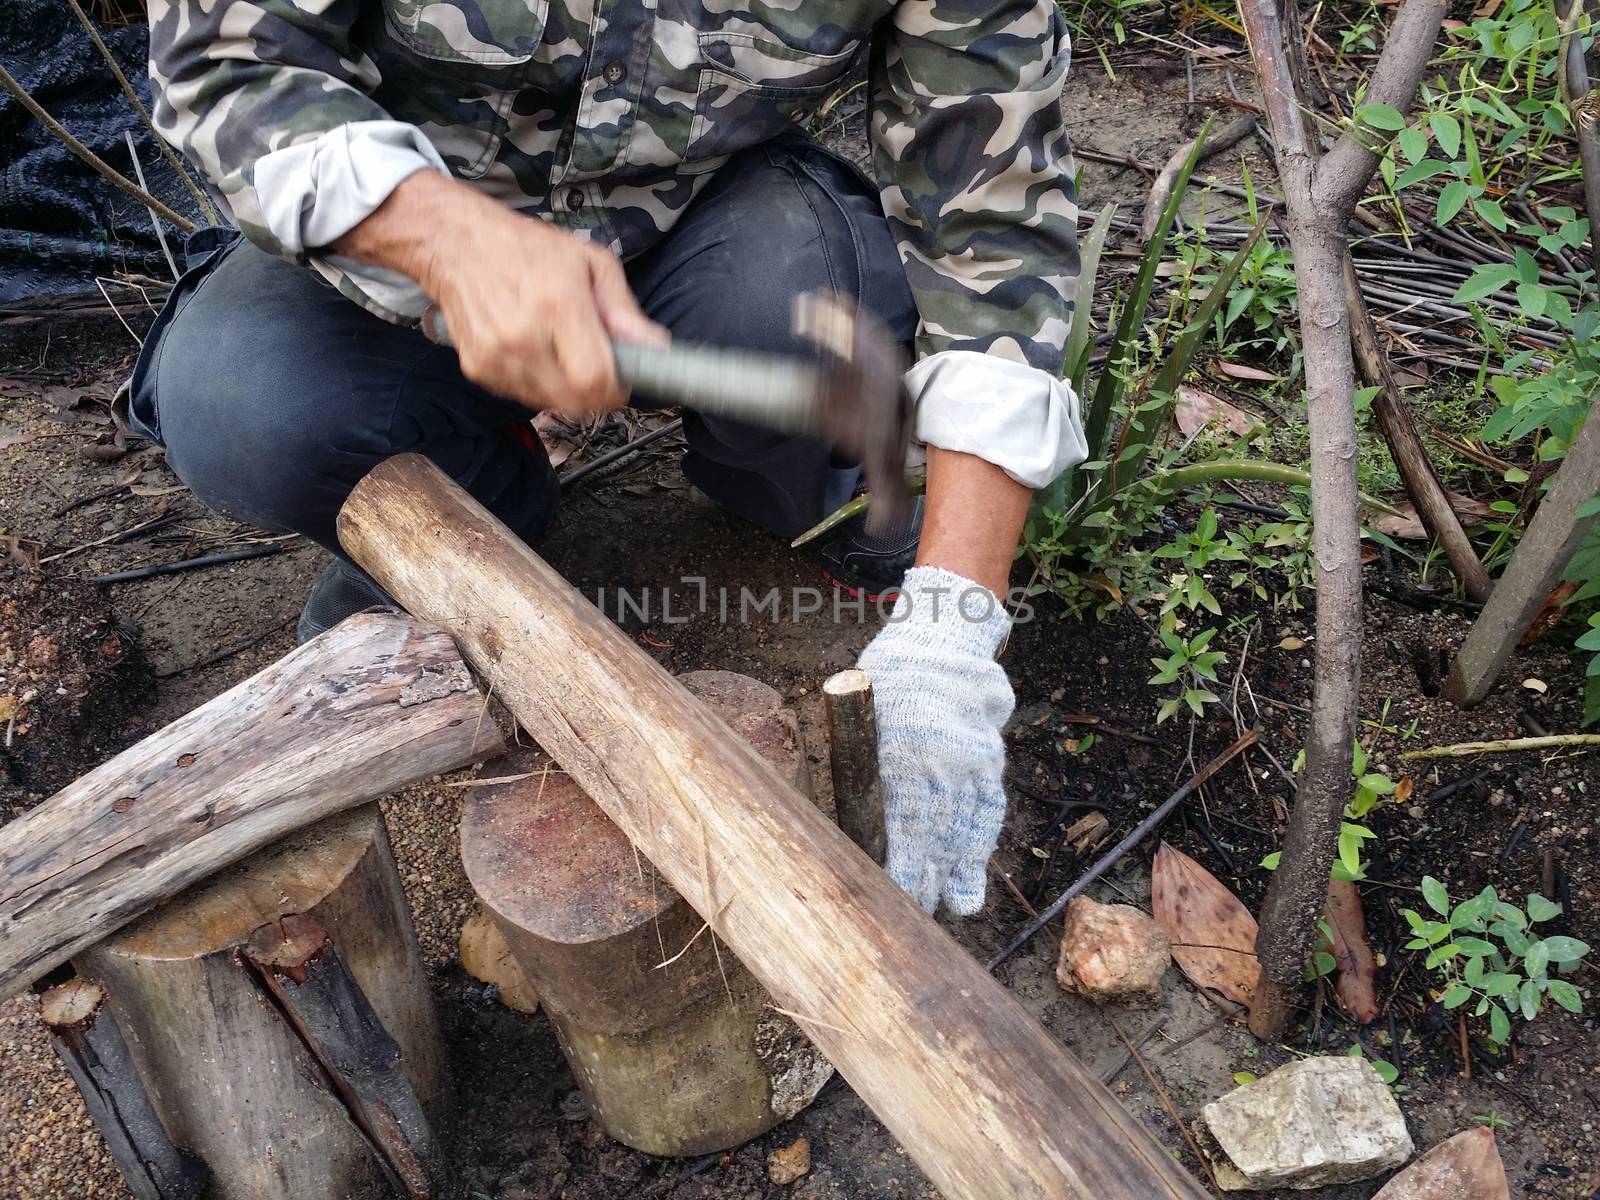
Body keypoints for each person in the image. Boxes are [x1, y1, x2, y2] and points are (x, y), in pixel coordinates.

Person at [134, 0, 1087, 916]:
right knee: (246, 402)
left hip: (699, 219)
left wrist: (957, 621)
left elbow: (992, 227)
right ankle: (478, 491)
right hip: (392, 240)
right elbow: (228, 64)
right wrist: (447, 239)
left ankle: (796, 484)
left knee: (822, 322)